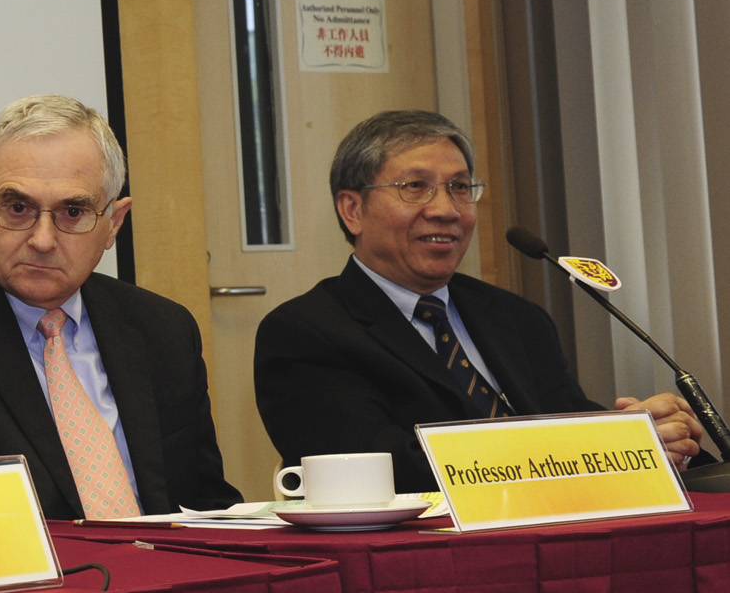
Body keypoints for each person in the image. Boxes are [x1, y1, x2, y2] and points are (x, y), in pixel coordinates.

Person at [254, 109, 703, 490]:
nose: (446, 210)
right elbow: (380, 467)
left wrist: (645, 440)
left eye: (460, 187)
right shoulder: (306, 333)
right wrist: (603, 444)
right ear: (353, 210)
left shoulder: (516, 317)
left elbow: (569, 426)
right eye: (415, 187)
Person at [0, 94, 238, 519]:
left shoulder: (163, 328)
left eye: (73, 211)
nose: (43, 240)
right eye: (18, 208)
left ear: (114, 223)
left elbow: (205, 503)